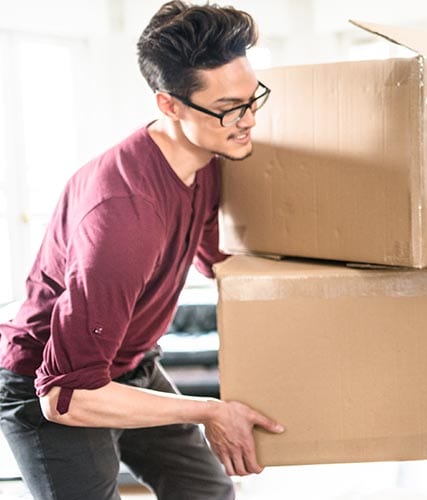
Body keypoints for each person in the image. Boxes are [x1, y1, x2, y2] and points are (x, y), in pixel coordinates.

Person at [0, 2, 283, 498]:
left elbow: (213, 259)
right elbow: (66, 397)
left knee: (208, 493)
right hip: (53, 383)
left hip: (130, 365)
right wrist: (210, 409)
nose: (249, 120)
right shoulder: (123, 217)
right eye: (228, 109)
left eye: (252, 98)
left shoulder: (208, 157)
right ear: (170, 105)